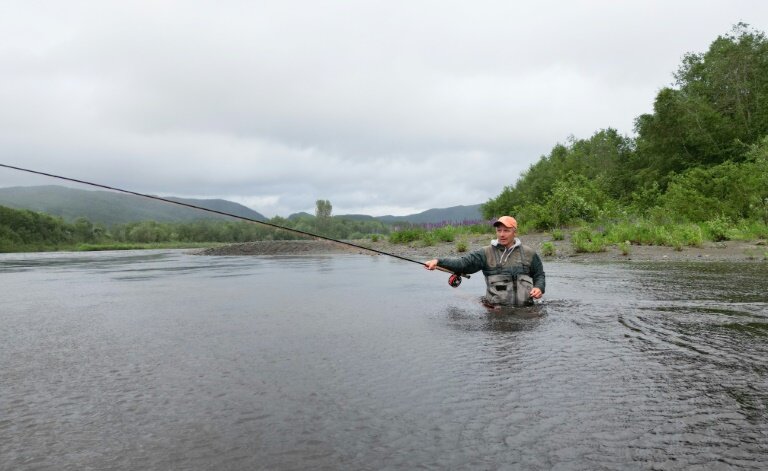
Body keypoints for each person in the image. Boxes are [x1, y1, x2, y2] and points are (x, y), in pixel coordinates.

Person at [424, 216, 545, 307]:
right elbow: (462, 264)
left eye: (506, 230)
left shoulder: (529, 253)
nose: (501, 234)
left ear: (515, 232)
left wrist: (539, 288)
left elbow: (539, 274)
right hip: (496, 311)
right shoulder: (485, 253)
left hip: (526, 310)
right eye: (499, 230)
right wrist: (438, 261)